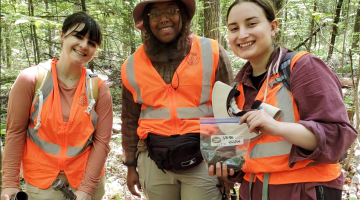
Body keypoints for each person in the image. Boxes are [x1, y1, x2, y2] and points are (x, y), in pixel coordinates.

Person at [208, 0, 358, 199]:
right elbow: (250, 153)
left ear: (272, 27)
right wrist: (228, 167)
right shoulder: (237, 88)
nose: (242, 34)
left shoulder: (303, 68)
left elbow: (338, 136)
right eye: (233, 28)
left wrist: (278, 127)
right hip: (253, 190)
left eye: (251, 24)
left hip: (304, 190)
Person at [120, 0, 234, 199]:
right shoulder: (132, 65)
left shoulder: (212, 51)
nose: (164, 19)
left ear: (182, 15)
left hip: (204, 157)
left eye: (171, 11)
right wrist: (131, 166)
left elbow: (228, 108)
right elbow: (130, 119)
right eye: (155, 14)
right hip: (154, 159)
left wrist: (227, 162)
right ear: (147, 21)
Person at [1, 11, 113, 200]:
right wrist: (10, 183)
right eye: (78, 36)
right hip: (42, 185)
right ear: (62, 35)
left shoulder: (98, 89)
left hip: (87, 184)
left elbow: (102, 142)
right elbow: (15, 132)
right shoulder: (32, 79)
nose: (84, 45)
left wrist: (86, 190)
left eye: (92, 43)